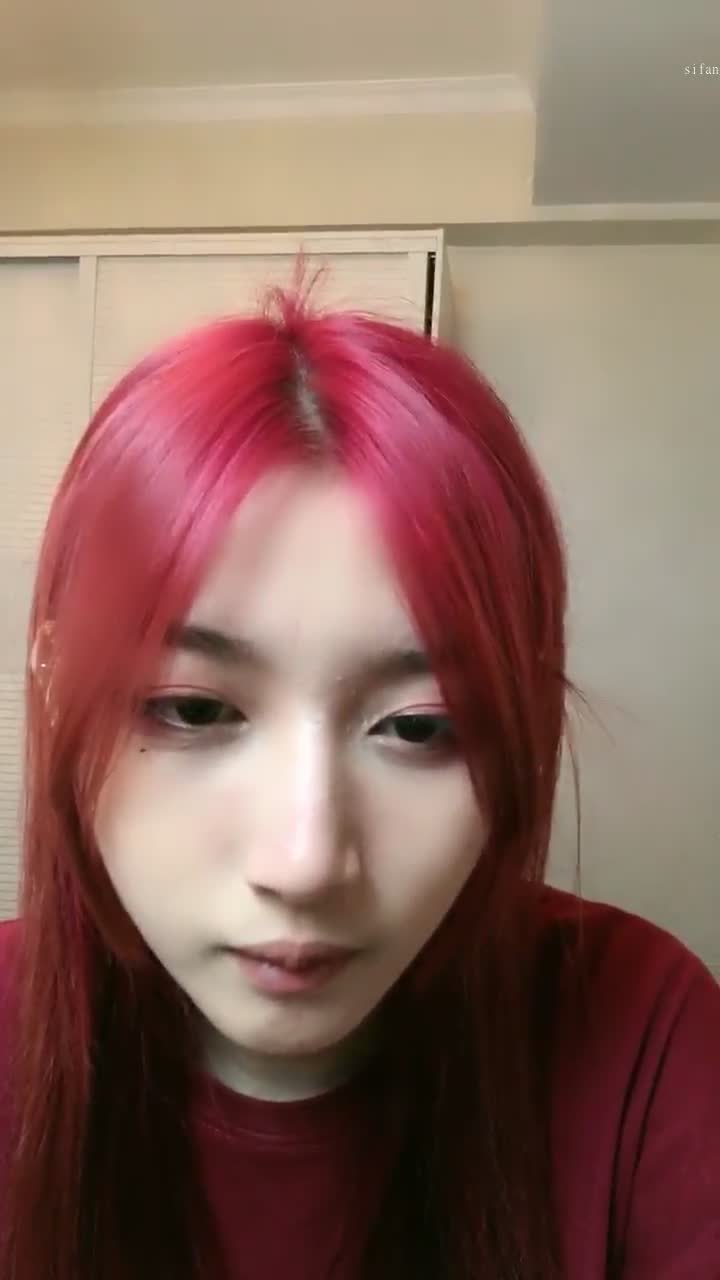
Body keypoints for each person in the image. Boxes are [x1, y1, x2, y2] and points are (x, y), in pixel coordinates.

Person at [0, 278, 718, 1280]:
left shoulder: (644, 1026)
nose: (304, 863)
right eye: (194, 709)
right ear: (50, 681)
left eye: (420, 726)